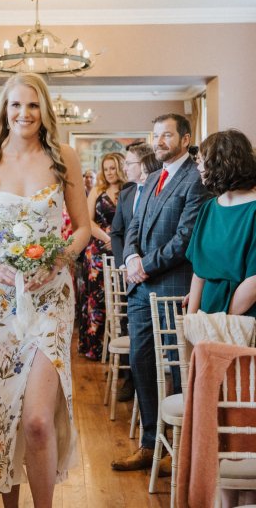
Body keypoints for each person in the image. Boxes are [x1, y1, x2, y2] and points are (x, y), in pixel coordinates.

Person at [0, 72, 90, 508]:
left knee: (35, 418)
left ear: (44, 110)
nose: (24, 113)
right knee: (3, 412)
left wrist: (56, 261)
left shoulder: (64, 157)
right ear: (4, 109)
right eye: (16, 105)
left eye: (33, 105)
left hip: (51, 296)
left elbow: (83, 228)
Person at [111, 113, 208, 472]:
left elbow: (185, 239)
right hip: (140, 291)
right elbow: (133, 225)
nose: (159, 142)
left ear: (185, 139)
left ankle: (184, 451)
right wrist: (132, 256)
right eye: (156, 136)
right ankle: (152, 445)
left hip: (172, 288)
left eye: (167, 135)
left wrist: (145, 265)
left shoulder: (195, 181)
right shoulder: (151, 178)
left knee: (179, 368)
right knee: (141, 364)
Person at [187, 129, 256, 316]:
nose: (198, 168)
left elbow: (254, 282)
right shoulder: (208, 209)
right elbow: (199, 272)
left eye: (202, 161)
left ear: (222, 163)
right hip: (207, 318)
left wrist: (221, 321)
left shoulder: (253, 212)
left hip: (243, 321)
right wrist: (192, 320)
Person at [109, 143, 154, 401]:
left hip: (152, 268)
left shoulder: (156, 189)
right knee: (130, 325)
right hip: (129, 269)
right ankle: (130, 381)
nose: (124, 167)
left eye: (129, 163)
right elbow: (118, 232)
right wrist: (124, 261)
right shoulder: (126, 194)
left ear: (144, 165)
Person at [79, 152, 126, 361]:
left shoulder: (129, 189)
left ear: (120, 168)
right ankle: (94, 347)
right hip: (98, 247)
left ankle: (118, 345)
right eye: (106, 168)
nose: (109, 172)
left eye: (113, 168)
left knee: (120, 297)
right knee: (96, 297)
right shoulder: (97, 191)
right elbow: (88, 221)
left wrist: (117, 241)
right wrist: (107, 238)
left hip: (123, 246)